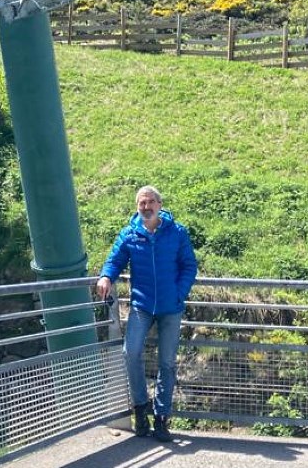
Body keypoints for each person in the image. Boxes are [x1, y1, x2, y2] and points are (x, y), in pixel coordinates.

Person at [96, 185, 198, 442]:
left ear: (160, 205)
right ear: (137, 206)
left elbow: (189, 266)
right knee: (130, 353)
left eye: (151, 202)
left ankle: (161, 418)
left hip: (170, 307)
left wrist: (179, 293)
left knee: (167, 363)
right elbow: (114, 260)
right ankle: (140, 410)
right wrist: (107, 276)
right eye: (142, 203)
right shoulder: (129, 234)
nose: (146, 207)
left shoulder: (177, 233)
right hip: (141, 306)